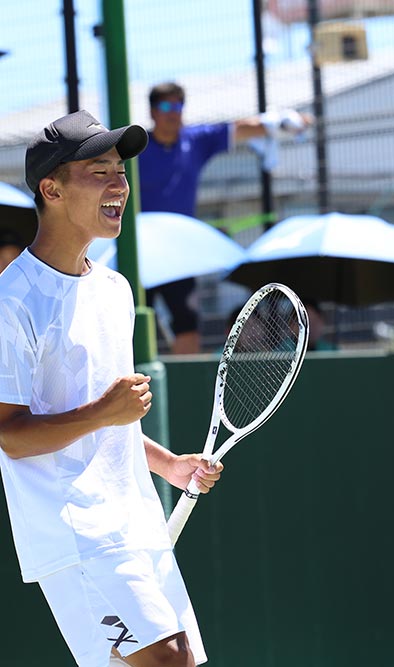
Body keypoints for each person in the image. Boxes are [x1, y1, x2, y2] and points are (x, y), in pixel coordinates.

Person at [0, 109, 224, 667]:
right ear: (51, 189)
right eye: (99, 172)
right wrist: (105, 412)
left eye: (120, 172)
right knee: (167, 660)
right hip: (76, 536)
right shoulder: (11, 302)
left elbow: (108, 422)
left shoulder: (115, 289)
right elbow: (11, 436)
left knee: (182, 661)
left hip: (136, 524)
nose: (119, 185)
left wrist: (168, 464)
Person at [139, 81, 308, 355]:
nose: (173, 112)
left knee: (187, 324)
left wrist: (284, 123)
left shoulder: (194, 141)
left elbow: (239, 128)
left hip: (178, 254)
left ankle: (183, 381)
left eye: (179, 105)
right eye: (166, 105)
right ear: (152, 111)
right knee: (130, 322)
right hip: (139, 254)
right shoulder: (137, 147)